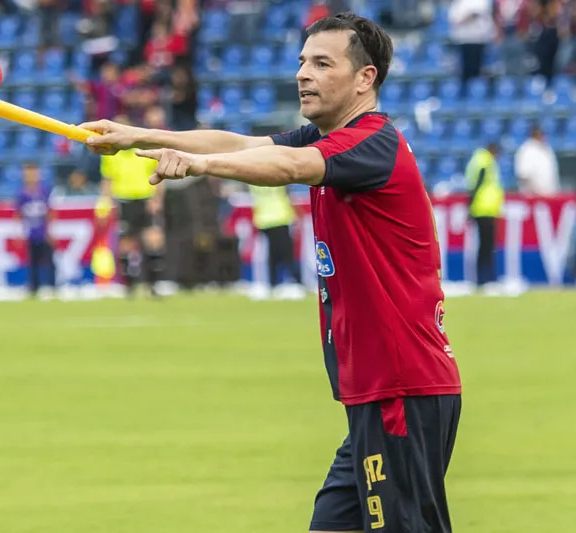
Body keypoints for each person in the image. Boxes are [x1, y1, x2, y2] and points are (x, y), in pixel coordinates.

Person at [82, 12, 462, 532]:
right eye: (303, 61)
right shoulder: (327, 135)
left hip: (399, 388)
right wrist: (136, 135)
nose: (303, 73)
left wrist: (197, 168)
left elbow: (287, 168)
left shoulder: (371, 142)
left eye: (322, 63)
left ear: (364, 78)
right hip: (374, 390)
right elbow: (243, 145)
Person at [98, 115, 165, 296]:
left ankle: (154, 284)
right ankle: (129, 285)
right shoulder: (111, 154)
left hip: (145, 198)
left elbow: (159, 174)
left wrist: (157, 199)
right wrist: (105, 201)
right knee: (126, 243)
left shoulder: (143, 150)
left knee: (153, 240)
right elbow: (108, 180)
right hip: (124, 199)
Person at [465, 142, 504, 289]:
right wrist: (470, 206)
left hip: (483, 209)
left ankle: (485, 278)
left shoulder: (480, 160)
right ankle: (484, 279)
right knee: (486, 246)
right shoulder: (485, 162)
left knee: (486, 245)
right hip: (483, 209)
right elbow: (477, 186)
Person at [15, 162, 56, 297]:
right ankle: (34, 287)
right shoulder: (22, 193)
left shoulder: (44, 190)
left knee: (49, 260)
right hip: (30, 232)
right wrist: (19, 232)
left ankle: (52, 286)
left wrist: (50, 230)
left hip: (43, 231)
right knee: (32, 261)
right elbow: (18, 213)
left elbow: (50, 211)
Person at [514, 125, 559, 197]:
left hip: (549, 194)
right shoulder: (526, 150)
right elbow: (523, 174)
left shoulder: (547, 149)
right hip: (533, 196)